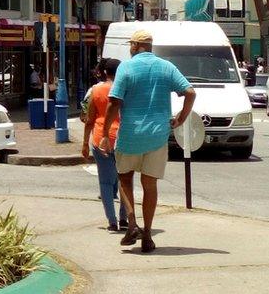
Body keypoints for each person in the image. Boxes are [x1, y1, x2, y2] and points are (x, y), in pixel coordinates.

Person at [99, 30, 196, 254]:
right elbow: (190, 92)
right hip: (157, 135)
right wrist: (181, 118)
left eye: (130, 45)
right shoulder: (166, 67)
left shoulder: (126, 67)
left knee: (124, 178)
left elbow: (114, 102)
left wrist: (105, 133)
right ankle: (148, 235)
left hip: (130, 134)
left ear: (134, 46)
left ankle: (132, 223)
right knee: (150, 185)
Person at [82, 58, 127, 232]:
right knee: (124, 179)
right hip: (123, 137)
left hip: (101, 138)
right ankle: (125, 217)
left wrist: (85, 143)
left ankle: (112, 221)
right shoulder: (124, 88)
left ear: (104, 72)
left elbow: (89, 119)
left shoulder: (96, 90)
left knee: (105, 182)